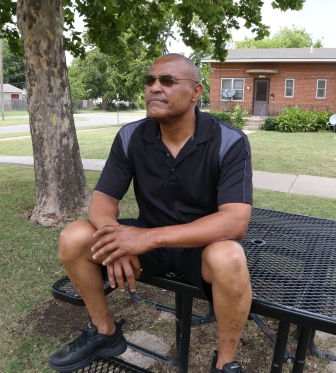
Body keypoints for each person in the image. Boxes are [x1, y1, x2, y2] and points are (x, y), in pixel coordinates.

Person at [49, 53, 253, 373]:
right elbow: (103, 200)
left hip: (199, 247)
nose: (155, 88)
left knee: (230, 257)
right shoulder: (131, 136)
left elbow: (235, 221)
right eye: (150, 81)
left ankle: (225, 363)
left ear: (196, 92)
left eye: (168, 81)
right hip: (147, 241)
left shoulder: (229, 141)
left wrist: (144, 239)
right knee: (74, 236)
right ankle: (105, 332)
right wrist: (113, 240)